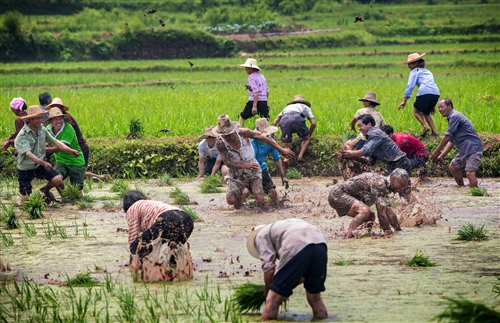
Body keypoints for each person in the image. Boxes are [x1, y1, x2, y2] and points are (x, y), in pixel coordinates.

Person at [246, 218, 328, 321]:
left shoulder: (260, 236)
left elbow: (269, 270)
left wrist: (269, 292)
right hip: (320, 244)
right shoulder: (284, 227)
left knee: (273, 299)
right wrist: (285, 286)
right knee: (315, 298)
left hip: (297, 244)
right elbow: (302, 277)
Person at [212, 114, 294, 209]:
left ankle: (261, 209)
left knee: (260, 199)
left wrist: (282, 150)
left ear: (233, 130)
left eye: (229, 134)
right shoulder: (220, 143)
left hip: (253, 168)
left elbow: (262, 137)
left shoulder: (243, 133)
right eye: (224, 135)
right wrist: (244, 166)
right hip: (236, 171)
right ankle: (240, 204)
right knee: (231, 200)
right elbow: (227, 163)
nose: (227, 137)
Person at [123, 190, 194, 282]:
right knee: (173, 253)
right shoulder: (150, 203)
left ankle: (148, 273)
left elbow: (133, 235)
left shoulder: (132, 208)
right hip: (187, 220)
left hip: (168, 218)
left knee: (139, 246)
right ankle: (177, 276)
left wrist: (133, 256)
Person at [14, 106, 80, 203]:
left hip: (40, 165)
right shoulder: (22, 135)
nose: (40, 120)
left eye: (41, 118)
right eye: (37, 118)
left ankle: (63, 200)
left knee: (58, 180)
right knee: (26, 196)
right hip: (26, 167)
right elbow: (28, 154)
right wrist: (44, 163)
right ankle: (26, 212)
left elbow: (55, 141)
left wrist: (70, 150)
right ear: (30, 119)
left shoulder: (42, 129)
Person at [328, 168, 409, 239]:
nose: (402, 188)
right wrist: (388, 232)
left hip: (341, 195)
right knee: (365, 211)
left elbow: (389, 212)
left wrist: (398, 230)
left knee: (371, 216)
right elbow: (381, 214)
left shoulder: (386, 186)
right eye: (401, 185)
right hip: (338, 195)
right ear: (393, 178)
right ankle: (348, 238)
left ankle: (363, 235)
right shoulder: (380, 184)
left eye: (404, 186)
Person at [45, 98, 109, 181]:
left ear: (62, 109)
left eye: (58, 107)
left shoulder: (66, 122)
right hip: (67, 152)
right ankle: (100, 177)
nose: (55, 109)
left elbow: (62, 145)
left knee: (76, 173)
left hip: (78, 149)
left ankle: (98, 177)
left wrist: (46, 149)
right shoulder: (54, 124)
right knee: (76, 174)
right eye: (53, 107)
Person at [431, 98, 483, 188]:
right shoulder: (452, 117)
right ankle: (462, 188)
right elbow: (451, 140)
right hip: (464, 149)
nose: (440, 109)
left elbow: (447, 136)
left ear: (450, 106)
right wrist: (442, 155)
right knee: (453, 167)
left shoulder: (455, 116)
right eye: (438, 107)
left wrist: (436, 151)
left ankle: (476, 193)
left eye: (442, 107)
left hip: (472, 148)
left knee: (470, 173)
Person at [342, 114, 411, 176]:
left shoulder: (375, 134)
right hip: (395, 162)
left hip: (400, 162)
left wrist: (352, 153)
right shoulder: (371, 134)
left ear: (369, 124)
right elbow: (370, 152)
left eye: (360, 126)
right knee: (394, 186)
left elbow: (366, 150)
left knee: (394, 185)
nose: (359, 129)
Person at [397, 53, 440, 137]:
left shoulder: (414, 71)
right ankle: (434, 131)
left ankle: (425, 126)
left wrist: (404, 100)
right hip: (435, 92)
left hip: (424, 91)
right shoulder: (428, 72)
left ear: (416, 63)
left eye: (410, 64)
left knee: (416, 111)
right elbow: (430, 86)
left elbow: (410, 85)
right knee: (426, 112)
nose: (408, 66)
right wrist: (431, 106)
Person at [45, 108, 86, 194]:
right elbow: (48, 143)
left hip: (75, 161)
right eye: (56, 119)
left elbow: (62, 147)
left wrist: (46, 149)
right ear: (51, 121)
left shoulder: (68, 128)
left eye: (60, 118)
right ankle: (61, 196)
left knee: (77, 191)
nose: (59, 121)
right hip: (61, 161)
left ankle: (75, 201)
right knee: (56, 178)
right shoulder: (48, 129)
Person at [250, 118, 288, 205]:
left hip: (262, 168)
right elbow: (252, 163)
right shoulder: (252, 144)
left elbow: (277, 159)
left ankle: (276, 206)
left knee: (273, 193)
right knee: (247, 193)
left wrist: (282, 176)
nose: (265, 137)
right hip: (251, 169)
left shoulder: (271, 141)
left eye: (266, 134)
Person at [272, 95, 316, 163]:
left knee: (287, 141)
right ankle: (300, 156)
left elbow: (274, 122)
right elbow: (313, 123)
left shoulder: (287, 108)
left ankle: (286, 159)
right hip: (297, 119)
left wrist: (271, 137)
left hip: (284, 120)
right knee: (306, 139)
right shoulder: (305, 107)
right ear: (303, 102)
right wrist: (309, 134)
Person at [238, 58, 269, 127]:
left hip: (254, 101)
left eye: (246, 68)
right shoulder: (262, 76)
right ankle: (268, 135)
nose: (245, 69)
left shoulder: (251, 77)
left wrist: (254, 106)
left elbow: (256, 92)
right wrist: (265, 103)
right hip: (263, 101)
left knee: (242, 116)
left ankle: (240, 134)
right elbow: (267, 91)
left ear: (251, 68)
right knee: (265, 120)